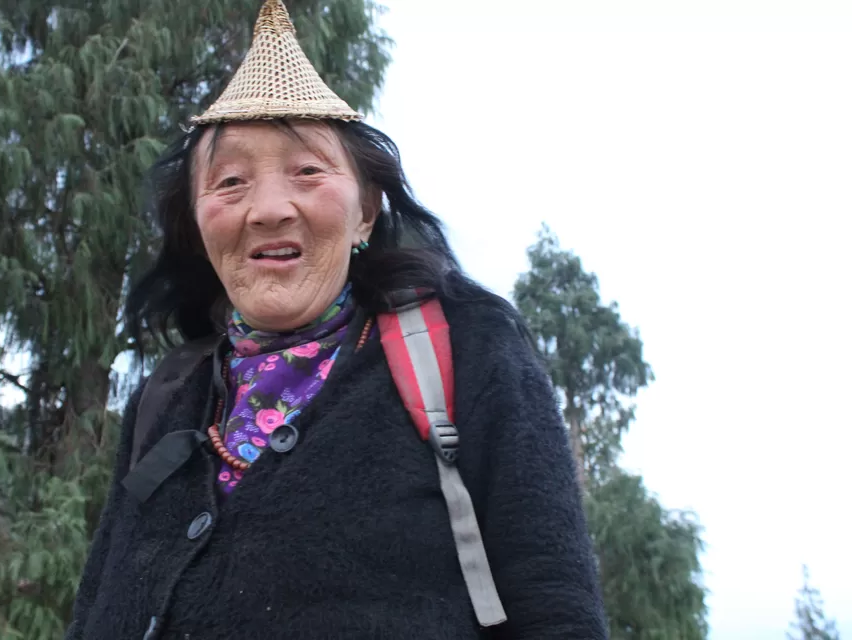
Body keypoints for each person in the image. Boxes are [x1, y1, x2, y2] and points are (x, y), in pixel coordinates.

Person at [66, 1, 607, 638]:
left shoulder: (465, 351)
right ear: (197, 222)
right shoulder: (167, 396)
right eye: (230, 181)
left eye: (307, 171)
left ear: (366, 212)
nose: (269, 209)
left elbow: (555, 606)